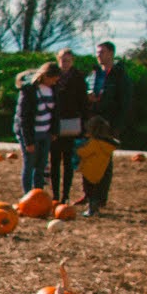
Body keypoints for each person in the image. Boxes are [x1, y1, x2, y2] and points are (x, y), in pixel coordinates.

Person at [13, 61, 59, 195]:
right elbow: (24, 118)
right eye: (53, 79)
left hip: (45, 132)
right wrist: (28, 141)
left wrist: (54, 130)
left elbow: (56, 112)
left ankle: (38, 193)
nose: (55, 82)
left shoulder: (53, 89)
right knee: (29, 165)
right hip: (31, 134)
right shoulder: (29, 90)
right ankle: (28, 195)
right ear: (45, 76)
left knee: (41, 165)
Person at [49, 47, 87, 200]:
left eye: (68, 60)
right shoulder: (52, 77)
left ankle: (66, 195)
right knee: (55, 161)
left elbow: (83, 102)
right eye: (62, 60)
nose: (65, 63)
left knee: (69, 162)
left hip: (71, 123)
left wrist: (84, 124)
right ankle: (55, 195)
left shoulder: (78, 78)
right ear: (58, 60)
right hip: (55, 123)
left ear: (72, 61)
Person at [74, 115, 117, 217]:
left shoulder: (93, 143)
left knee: (90, 191)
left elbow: (84, 153)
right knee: (99, 190)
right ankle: (97, 205)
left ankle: (91, 209)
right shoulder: (108, 144)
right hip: (102, 171)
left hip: (90, 171)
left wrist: (76, 149)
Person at [90, 40, 131, 143]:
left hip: (110, 123)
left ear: (111, 53)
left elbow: (125, 102)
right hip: (92, 122)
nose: (98, 55)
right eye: (97, 52)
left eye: (102, 52)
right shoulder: (94, 74)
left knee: (105, 155)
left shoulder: (120, 76)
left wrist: (117, 126)